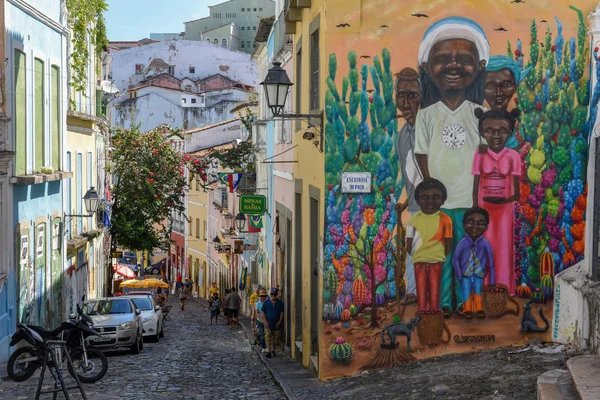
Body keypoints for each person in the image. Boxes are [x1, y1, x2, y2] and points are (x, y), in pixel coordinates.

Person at [415, 17, 490, 316]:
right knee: (441, 257)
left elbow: (483, 158)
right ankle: (445, 303)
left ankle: (467, 301)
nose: (453, 66)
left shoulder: (480, 114)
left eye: (464, 59)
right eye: (443, 59)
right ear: (426, 67)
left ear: (480, 66)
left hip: (467, 203)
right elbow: (421, 154)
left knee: (468, 256)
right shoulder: (427, 115)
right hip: (439, 207)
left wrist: (475, 198)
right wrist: (431, 191)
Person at [472, 108, 521, 295]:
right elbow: (475, 186)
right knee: (484, 247)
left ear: (509, 132)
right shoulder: (480, 153)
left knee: (504, 248)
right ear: (482, 132)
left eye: (502, 130)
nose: (496, 135)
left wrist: (502, 201)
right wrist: (476, 208)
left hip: (504, 213)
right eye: (489, 130)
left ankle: (505, 288)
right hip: (484, 211)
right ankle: (485, 287)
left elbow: (516, 193)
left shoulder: (513, 156)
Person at [395, 67, 423, 306]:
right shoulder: (402, 136)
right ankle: (413, 291)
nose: (405, 102)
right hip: (415, 207)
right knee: (411, 248)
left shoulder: (429, 128)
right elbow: (411, 176)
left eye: (412, 94)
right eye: (400, 95)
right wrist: (406, 201)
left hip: (438, 207)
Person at [406, 179, 452, 313]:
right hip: (418, 261)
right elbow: (409, 244)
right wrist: (417, 255)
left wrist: (438, 256)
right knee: (421, 286)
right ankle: (422, 311)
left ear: (443, 200)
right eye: (425, 197)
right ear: (418, 200)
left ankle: (434, 312)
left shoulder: (446, 220)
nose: (430, 201)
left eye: (436, 197)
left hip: (437, 261)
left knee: (434, 287)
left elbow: (448, 245)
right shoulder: (413, 220)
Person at [453, 207, 495, 319]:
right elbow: (455, 259)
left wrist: (492, 281)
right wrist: (459, 275)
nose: (475, 226)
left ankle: (479, 308)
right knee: (466, 292)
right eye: (471, 222)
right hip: (465, 275)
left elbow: (491, 262)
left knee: (478, 292)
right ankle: (467, 309)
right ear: (464, 224)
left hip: (479, 275)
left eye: (480, 223)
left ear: (486, 227)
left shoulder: (485, 244)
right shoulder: (462, 243)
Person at [484, 55, 530, 149]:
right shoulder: (474, 127)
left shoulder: (523, 129)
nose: (498, 93)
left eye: (505, 85)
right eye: (490, 86)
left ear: (515, 87)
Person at [261, 288, 284, 358]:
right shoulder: (266, 302)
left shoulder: (280, 303)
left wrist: (280, 321)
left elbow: (282, 312)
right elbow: (263, 312)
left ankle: (273, 350)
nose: (273, 295)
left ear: (277, 295)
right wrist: (265, 321)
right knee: (267, 337)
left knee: (275, 338)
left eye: (275, 294)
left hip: (276, 324)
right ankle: (269, 351)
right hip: (268, 324)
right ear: (270, 294)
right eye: (272, 294)